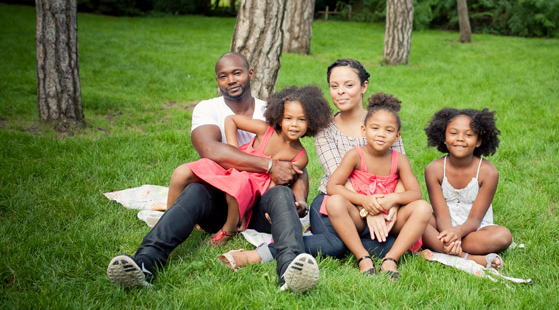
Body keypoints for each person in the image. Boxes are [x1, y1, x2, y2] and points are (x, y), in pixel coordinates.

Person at [107, 52, 319, 294]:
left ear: (250, 74)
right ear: (217, 81)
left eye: (237, 73)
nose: (231, 80)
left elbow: (298, 170)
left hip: (260, 205)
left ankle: (289, 272)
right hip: (221, 198)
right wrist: (269, 165)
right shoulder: (208, 109)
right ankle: (145, 263)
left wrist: (299, 199)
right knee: (195, 190)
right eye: (223, 76)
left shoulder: (271, 110)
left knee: (282, 194)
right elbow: (210, 150)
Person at [216, 59, 406, 270]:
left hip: (382, 202)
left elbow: (399, 171)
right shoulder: (326, 130)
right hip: (333, 201)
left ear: (364, 86)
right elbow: (339, 178)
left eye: (349, 85)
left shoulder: (385, 124)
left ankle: (357, 245)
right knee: (336, 245)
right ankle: (258, 254)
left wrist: (391, 206)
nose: (341, 91)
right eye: (334, 86)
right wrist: (369, 209)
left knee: (394, 238)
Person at [167, 85, 331, 247]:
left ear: (311, 121)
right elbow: (231, 120)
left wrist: (249, 208)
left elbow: (277, 184)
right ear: (279, 116)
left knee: (237, 185)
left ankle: (229, 229)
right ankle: (169, 219)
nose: (294, 124)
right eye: (288, 118)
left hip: (254, 186)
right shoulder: (264, 130)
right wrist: (234, 150)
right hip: (235, 167)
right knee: (182, 172)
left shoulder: (300, 157)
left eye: (301, 119)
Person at [325, 93, 431, 280]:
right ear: (364, 129)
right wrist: (364, 201)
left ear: (397, 136)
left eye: (389, 130)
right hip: (359, 216)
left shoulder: (399, 160)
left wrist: (393, 199)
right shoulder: (355, 155)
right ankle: (362, 257)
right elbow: (333, 186)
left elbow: (415, 193)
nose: (381, 134)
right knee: (334, 203)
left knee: (424, 208)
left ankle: (391, 259)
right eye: (375, 128)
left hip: (390, 219)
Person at [421, 107, 513, 269]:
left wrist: (458, 233)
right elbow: (441, 214)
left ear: (479, 141)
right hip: (442, 226)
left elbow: (475, 219)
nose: (460, 139)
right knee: (415, 216)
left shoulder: (488, 172)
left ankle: (444, 250)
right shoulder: (433, 169)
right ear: (443, 137)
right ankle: (466, 256)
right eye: (454, 133)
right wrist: (450, 235)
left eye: (468, 134)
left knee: (503, 236)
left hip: (474, 230)